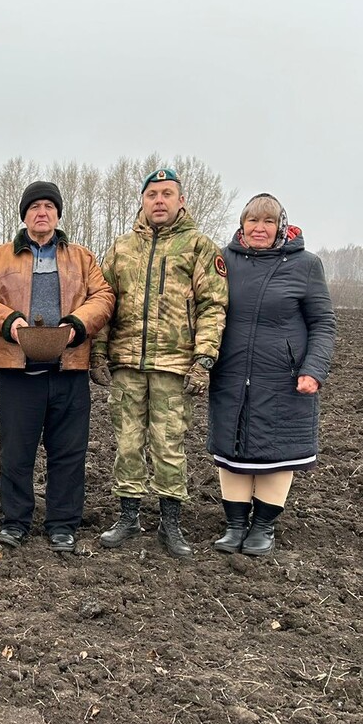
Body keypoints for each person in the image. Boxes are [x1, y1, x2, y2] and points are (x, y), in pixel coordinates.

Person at [0, 181, 114, 554]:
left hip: (70, 369)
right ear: (24, 215)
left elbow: (104, 297)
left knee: (68, 452)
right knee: (16, 452)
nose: (42, 212)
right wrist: (8, 320)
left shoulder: (81, 257)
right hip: (18, 371)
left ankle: (62, 524)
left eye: (49, 206)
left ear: (58, 214)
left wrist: (77, 325)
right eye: (34, 207)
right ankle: (15, 521)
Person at [91, 167, 228, 558]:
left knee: (169, 446)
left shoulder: (199, 247)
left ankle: (171, 523)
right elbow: (105, 303)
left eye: (168, 194)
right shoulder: (121, 248)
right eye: (153, 195)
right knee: (128, 444)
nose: (160, 201)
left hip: (174, 365)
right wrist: (99, 351)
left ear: (181, 200)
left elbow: (213, 306)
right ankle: (129, 516)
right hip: (127, 364)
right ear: (142, 201)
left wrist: (204, 358)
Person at [207, 193, 335, 557]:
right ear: (242, 225)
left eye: (267, 222)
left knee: (275, 453)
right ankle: (234, 525)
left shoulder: (306, 265)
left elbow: (323, 322)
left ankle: (263, 526)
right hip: (230, 373)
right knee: (232, 450)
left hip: (283, 377)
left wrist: (313, 369)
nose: (259, 229)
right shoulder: (223, 260)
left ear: (281, 226)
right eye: (252, 221)